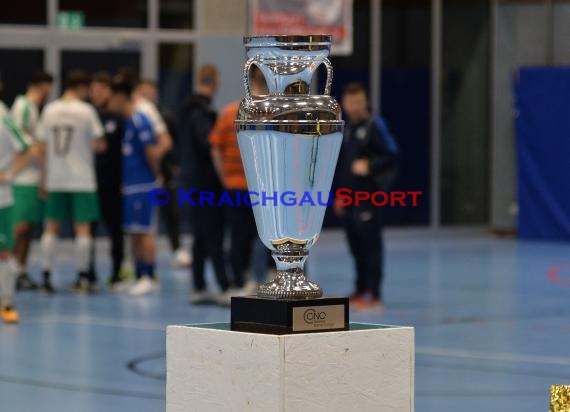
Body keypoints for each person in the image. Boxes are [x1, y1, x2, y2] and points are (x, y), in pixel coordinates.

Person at [36, 70, 106, 293]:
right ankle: (83, 277)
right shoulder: (86, 111)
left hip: (56, 177)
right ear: (83, 88)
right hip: (82, 178)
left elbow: (42, 147)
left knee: (51, 228)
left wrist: (44, 178)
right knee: (83, 229)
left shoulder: (50, 109)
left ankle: (46, 277)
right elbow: (99, 144)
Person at [334, 83, 399, 311]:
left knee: (371, 246)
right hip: (350, 200)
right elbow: (344, 169)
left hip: (369, 198)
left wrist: (370, 165)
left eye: (358, 101)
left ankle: (375, 293)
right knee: (356, 245)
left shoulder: (374, 126)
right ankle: (361, 288)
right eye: (349, 102)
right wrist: (340, 196)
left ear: (365, 103)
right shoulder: (347, 129)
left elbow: (392, 155)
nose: (353, 106)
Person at [209, 67, 268, 304]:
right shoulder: (271, 113)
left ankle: (240, 281)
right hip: (262, 188)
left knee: (238, 236)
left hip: (235, 186)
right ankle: (258, 280)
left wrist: (224, 176)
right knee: (261, 237)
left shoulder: (230, 111)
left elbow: (215, 147)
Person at [109, 78, 171, 296]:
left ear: (121, 97)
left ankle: (149, 276)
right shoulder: (128, 121)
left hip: (144, 184)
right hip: (131, 184)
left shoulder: (140, 119)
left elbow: (152, 151)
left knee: (145, 231)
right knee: (134, 231)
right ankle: (138, 274)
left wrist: (155, 176)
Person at [182, 64, 231, 304]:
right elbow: (208, 145)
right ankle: (224, 285)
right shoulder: (200, 114)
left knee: (200, 236)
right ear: (214, 81)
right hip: (205, 186)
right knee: (213, 234)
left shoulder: (189, 110)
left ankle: (199, 285)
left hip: (192, 183)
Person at [136, 79, 190, 268]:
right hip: (142, 176)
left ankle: (177, 249)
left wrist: (174, 165)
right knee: (142, 219)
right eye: (142, 92)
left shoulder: (165, 116)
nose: (146, 95)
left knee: (171, 212)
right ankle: (139, 257)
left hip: (165, 173)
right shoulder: (135, 117)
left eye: (149, 91)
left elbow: (174, 142)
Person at [0, 82, 40, 322]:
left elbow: (28, 148)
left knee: (4, 251)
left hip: (2, 199)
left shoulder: (3, 118)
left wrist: (9, 174)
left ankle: (6, 303)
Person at [10, 71, 53, 290]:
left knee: (28, 229)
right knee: (19, 226)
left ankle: (20, 270)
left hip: (32, 176)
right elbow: (20, 141)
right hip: (22, 178)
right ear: (43, 86)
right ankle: (9, 270)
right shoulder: (24, 106)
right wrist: (13, 172)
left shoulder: (34, 109)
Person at [87, 72, 125, 288]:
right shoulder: (86, 116)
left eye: (101, 89)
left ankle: (117, 273)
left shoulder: (117, 119)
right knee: (87, 231)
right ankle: (88, 274)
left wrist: (122, 181)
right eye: (94, 90)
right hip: (90, 184)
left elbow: (122, 153)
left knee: (115, 230)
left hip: (112, 183)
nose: (97, 94)